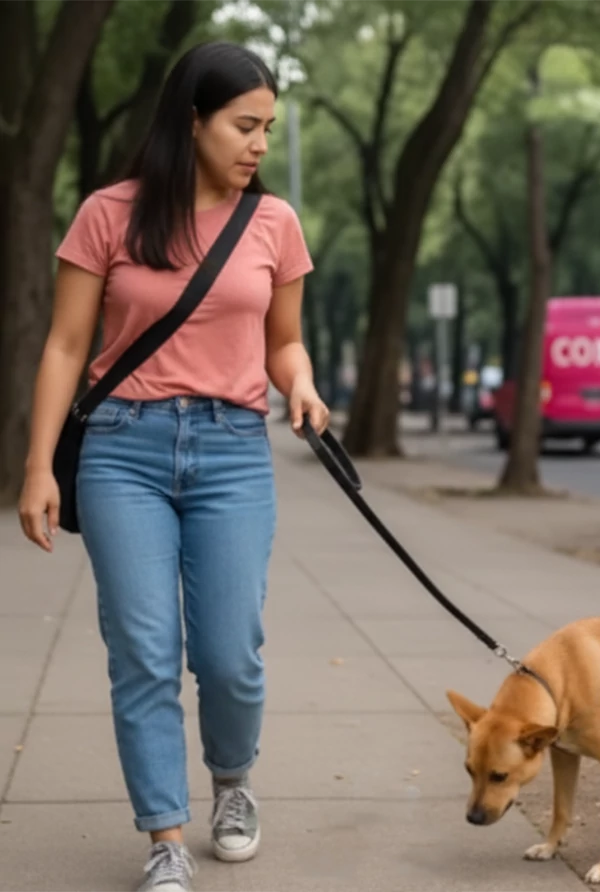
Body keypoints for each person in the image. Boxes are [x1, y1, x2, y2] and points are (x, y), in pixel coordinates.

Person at [17, 41, 329, 892]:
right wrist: (39, 466)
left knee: (231, 653)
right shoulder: (108, 214)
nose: (259, 143)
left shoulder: (274, 223)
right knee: (144, 650)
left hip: (232, 450)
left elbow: (285, 341)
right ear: (192, 121)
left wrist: (300, 386)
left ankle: (232, 783)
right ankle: (164, 836)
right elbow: (67, 345)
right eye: (244, 125)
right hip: (123, 449)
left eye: (269, 127)